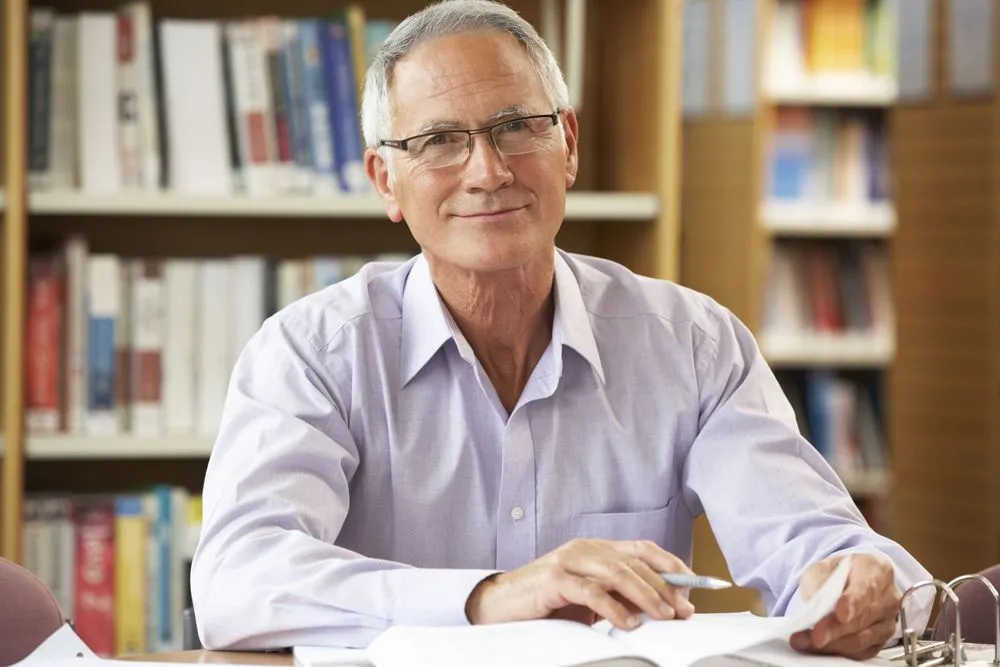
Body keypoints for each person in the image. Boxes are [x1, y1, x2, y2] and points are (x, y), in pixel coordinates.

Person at [190, 0, 932, 659]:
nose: (487, 170)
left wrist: (856, 578)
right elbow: (237, 579)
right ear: (386, 180)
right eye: (439, 140)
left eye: (517, 127)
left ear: (567, 145)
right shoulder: (313, 353)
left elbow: (821, 545)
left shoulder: (692, 343)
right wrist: (488, 596)